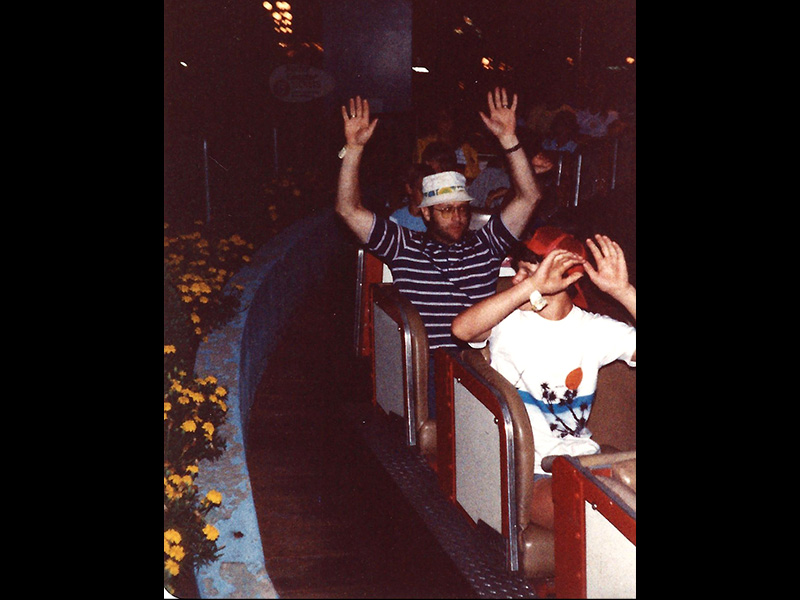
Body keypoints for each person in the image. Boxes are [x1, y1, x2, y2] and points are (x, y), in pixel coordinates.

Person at [335, 88, 554, 418]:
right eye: (446, 210)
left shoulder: (486, 243)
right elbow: (348, 209)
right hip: (434, 369)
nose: (458, 217)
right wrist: (352, 149)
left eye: (462, 209)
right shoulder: (404, 244)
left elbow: (528, 198)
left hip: (484, 363)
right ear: (425, 213)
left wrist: (509, 139)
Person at [451, 227, 635, 529]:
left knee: (616, 486)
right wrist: (532, 286)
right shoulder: (507, 322)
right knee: (603, 499)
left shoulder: (595, 330)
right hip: (530, 473)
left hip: (584, 460)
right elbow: (462, 330)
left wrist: (622, 291)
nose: (517, 281)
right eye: (520, 273)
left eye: (528, 273)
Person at [414, 107, 481, 183]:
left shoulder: (467, 148)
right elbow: (418, 175)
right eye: (443, 118)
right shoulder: (424, 144)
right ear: (436, 121)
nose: (447, 122)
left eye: (450, 118)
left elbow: (475, 177)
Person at [389, 163, 431, 232]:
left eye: (430, 191)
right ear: (409, 189)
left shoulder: (434, 219)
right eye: (422, 191)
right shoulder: (397, 218)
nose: (427, 196)